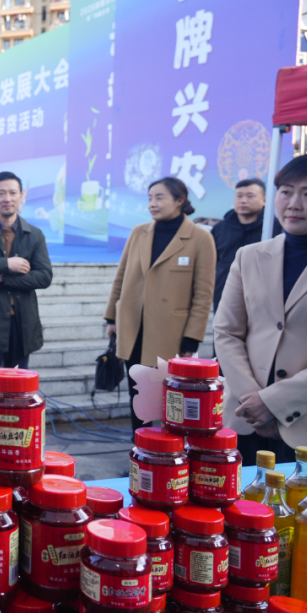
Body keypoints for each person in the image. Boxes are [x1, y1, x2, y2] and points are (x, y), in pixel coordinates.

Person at [216, 153, 307, 462]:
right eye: (286, 191)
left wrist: (274, 402)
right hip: (245, 421)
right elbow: (227, 332)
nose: (293, 204)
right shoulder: (249, 256)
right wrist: (253, 401)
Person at [104, 177, 216, 431]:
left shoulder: (200, 238)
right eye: (149, 198)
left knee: (171, 397)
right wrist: (111, 317)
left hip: (171, 333)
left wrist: (192, 339)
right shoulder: (139, 232)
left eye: (159, 197)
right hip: (133, 327)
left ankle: (169, 448)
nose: (152, 204)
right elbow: (121, 276)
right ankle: (140, 444)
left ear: (179, 200)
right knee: (138, 395)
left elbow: (203, 294)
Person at [0, 171, 52, 369]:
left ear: (21, 196)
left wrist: (5, 279)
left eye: (13, 193)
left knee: (18, 382)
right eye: (1, 193)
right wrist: (7, 264)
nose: (7, 198)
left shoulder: (35, 234)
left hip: (22, 324)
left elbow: (44, 276)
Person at [211, 178, 270, 313]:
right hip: (224, 296)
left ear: (264, 200)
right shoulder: (220, 228)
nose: (243, 201)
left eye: (250, 196)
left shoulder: (273, 227)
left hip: (262, 299)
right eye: (239, 196)